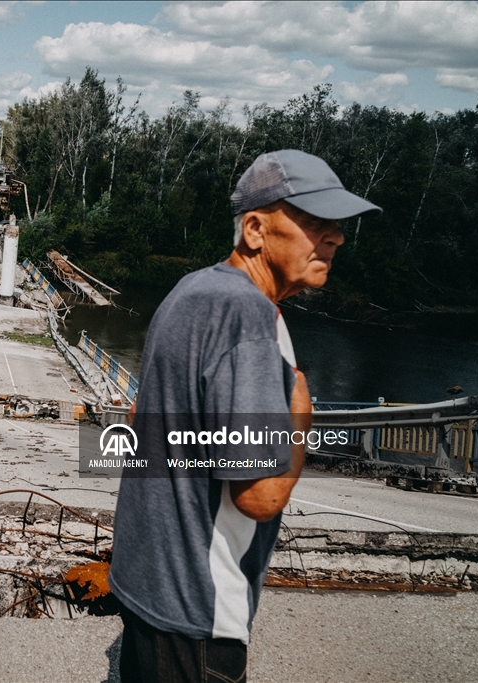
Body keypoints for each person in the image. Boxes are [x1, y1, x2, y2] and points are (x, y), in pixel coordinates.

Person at [109, 149, 381, 682]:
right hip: (197, 609)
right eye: (315, 222)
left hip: (143, 582)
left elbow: (139, 418)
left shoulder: (192, 288)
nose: (336, 237)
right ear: (255, 229)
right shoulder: (249, 316)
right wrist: (300, 415)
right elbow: (259, 496)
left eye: (337, 225)